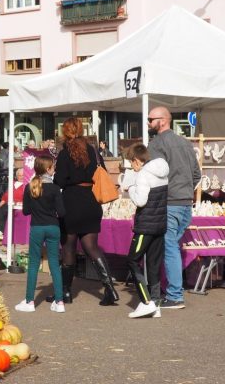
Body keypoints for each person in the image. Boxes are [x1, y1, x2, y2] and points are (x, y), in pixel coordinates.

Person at [53, 117, 119, 306]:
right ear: (81, 130)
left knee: (68, 247)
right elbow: (103, 172)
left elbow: (60, 180)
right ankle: (109, 289)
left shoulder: (65, 153)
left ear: (65, 132)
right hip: (91, 201)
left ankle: (65, 292)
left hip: (71, 202)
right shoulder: (93, 150)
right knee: (92, 247)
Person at [147, 106, 201, 310]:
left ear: (163, 121)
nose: (148, 123)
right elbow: (197, 174)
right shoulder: (185, 143)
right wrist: (186, 190)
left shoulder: (157, 144)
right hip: (185, 203)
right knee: (172, 246)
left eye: (151, 119)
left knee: (169, 247)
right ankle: (171, 291)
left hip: (170, 202)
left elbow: (152, 175)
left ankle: (175, 295)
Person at [121, 143, 169, 319]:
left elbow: (140, 201)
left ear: (136, 161)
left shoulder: (142, 175)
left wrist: (131, 188)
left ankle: (146, 301)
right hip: (160, 224)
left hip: (146, 226)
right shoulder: (162, 173)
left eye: (130, 164)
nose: (131, 168)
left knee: (133, 260)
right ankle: (155, 303)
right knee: (154, 264)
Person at [15, 156, 66, 313]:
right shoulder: (55, 188)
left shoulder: (30, 187)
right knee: (54, 264)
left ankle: (30, 301)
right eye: (53, 167)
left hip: (37, 227)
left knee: (33, 264)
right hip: (53, 227)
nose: (55, 169)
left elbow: (26, 211)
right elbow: (62, 212)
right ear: (48, 169)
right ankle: (59, 302)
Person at [0, 168, 25, 238]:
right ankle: (1, 232)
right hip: (10, 204)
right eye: (20, 175)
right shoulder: (13, 183)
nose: (21, 177)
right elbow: (6, 195)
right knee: (1, 209)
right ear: (17, 176)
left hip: (20, 205)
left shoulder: (27, 185)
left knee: (4, 209)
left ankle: (1, 232)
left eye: (23, 175)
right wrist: (3, 201)